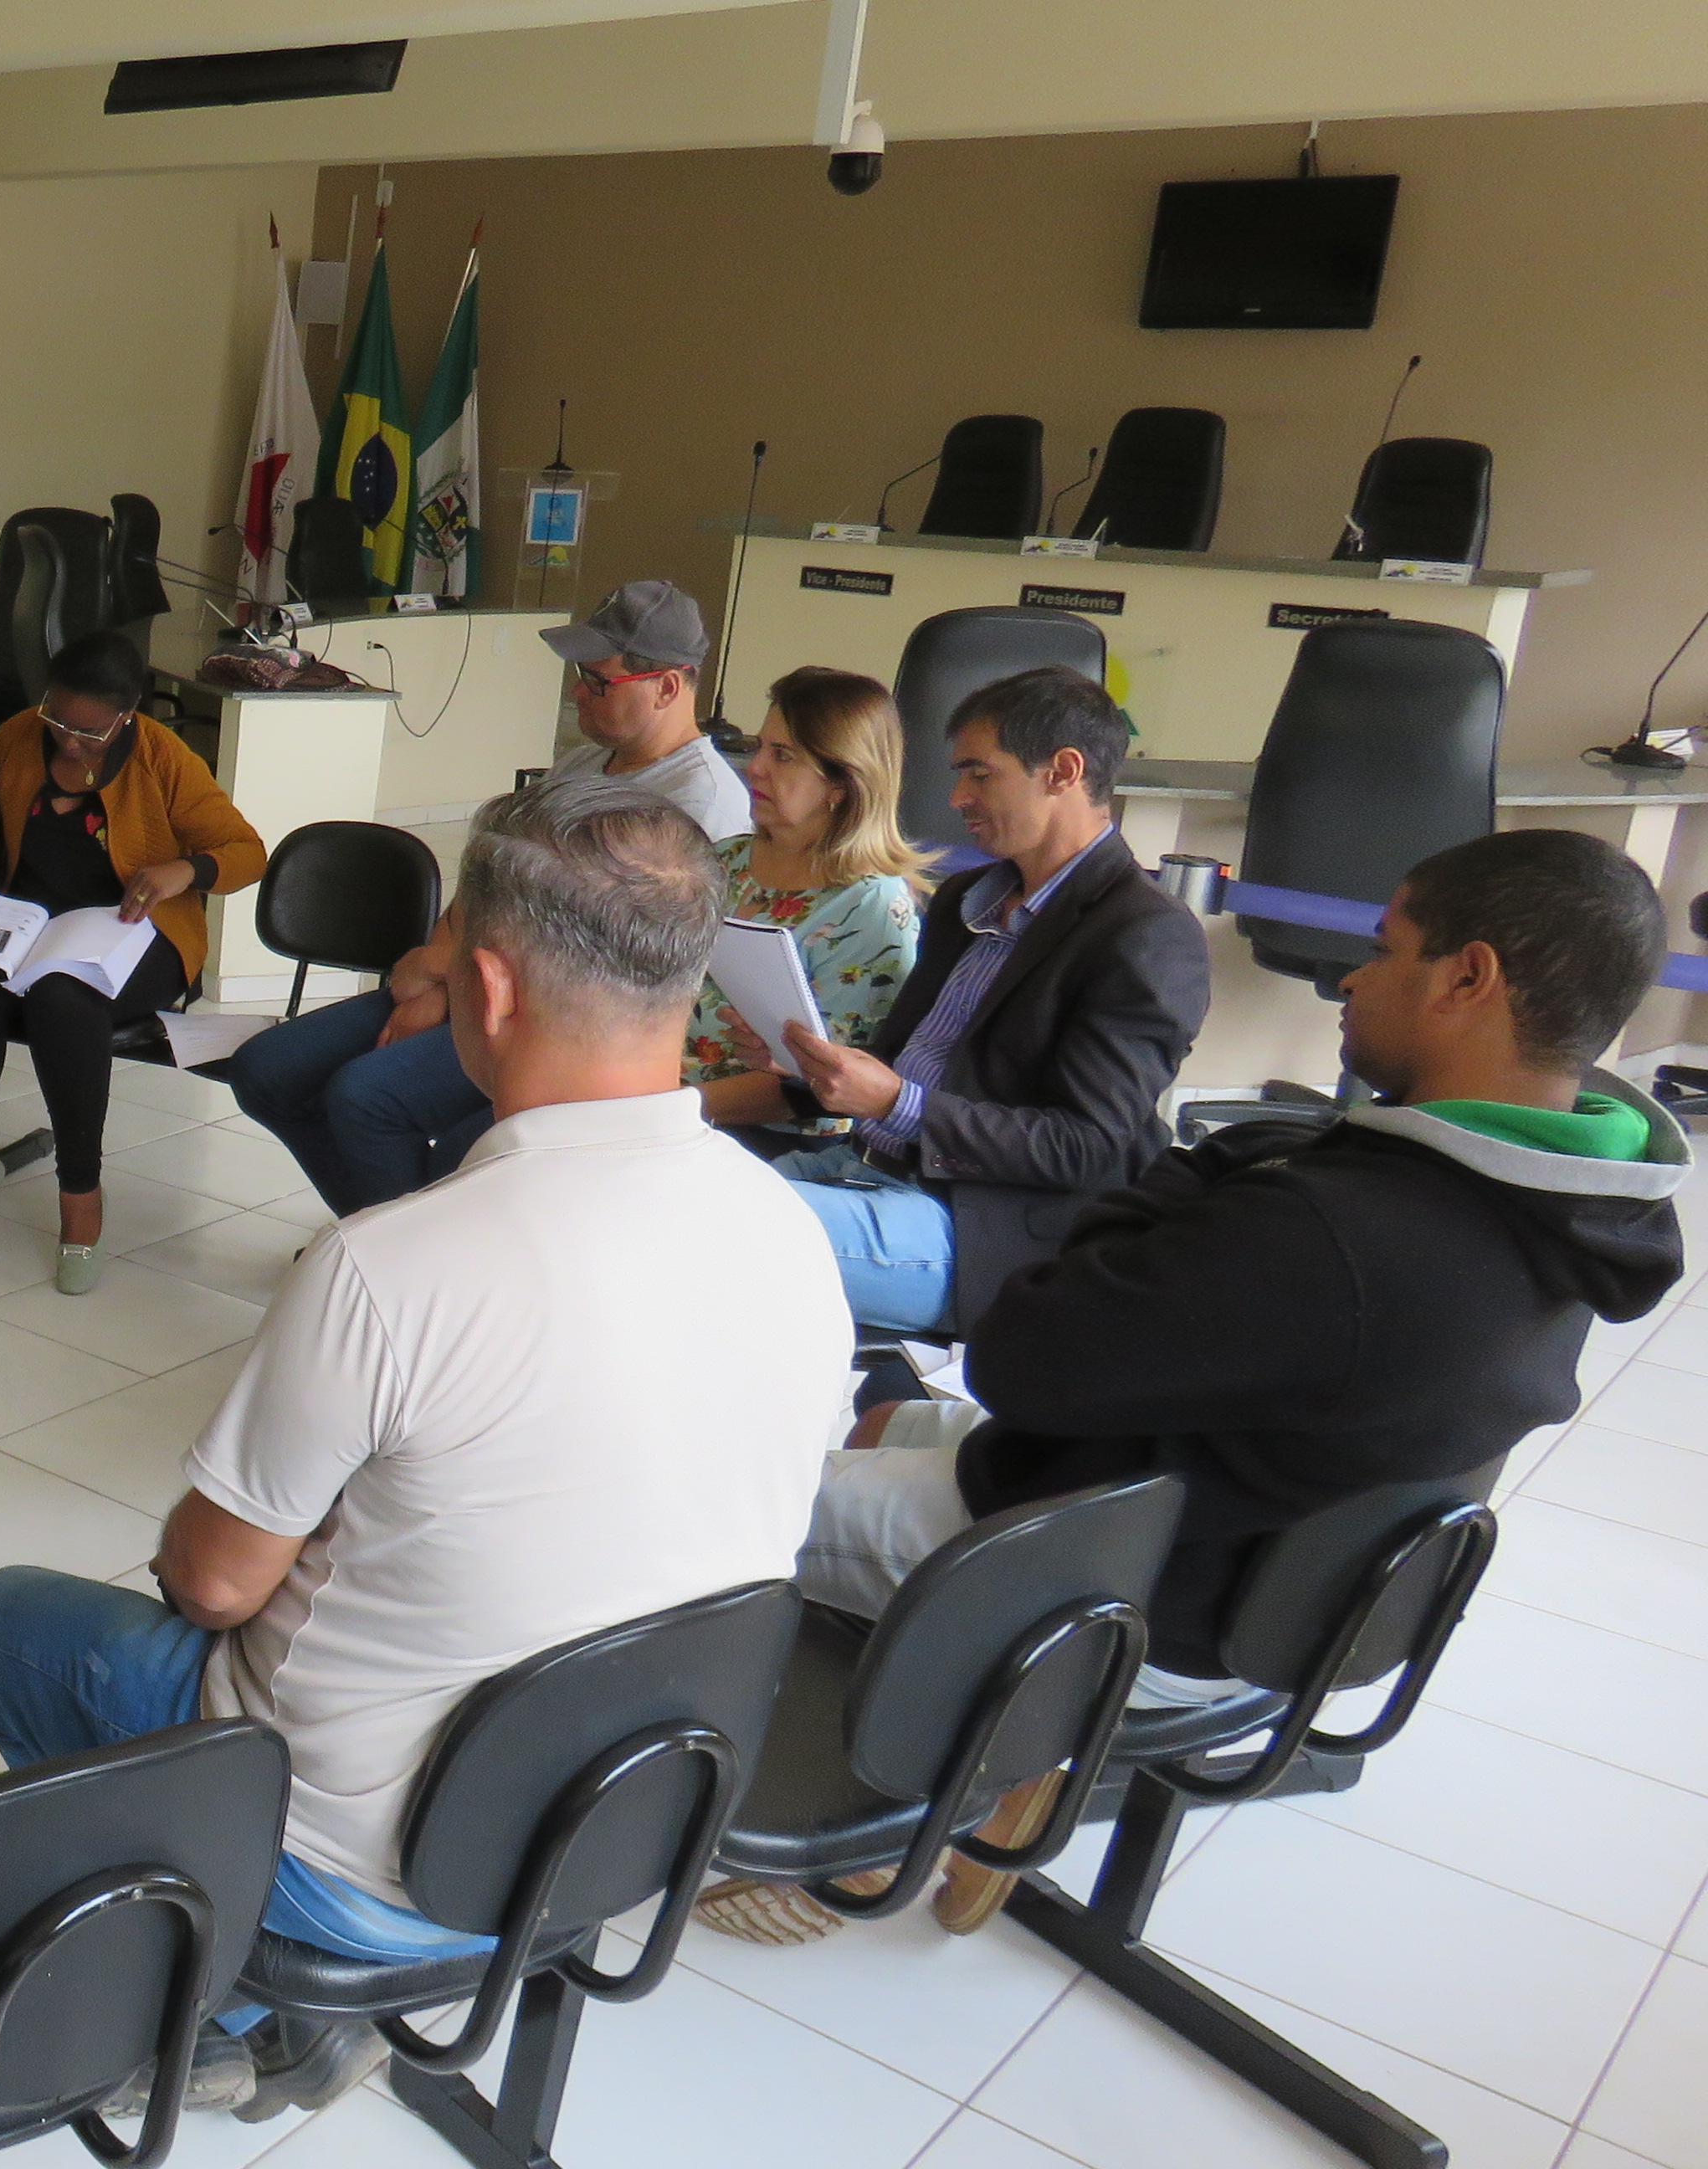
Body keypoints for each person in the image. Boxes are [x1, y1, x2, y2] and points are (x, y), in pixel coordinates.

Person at [0, 779, 849, 2117]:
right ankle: (279, 2008)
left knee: (10, 1626)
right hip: (619, 1819)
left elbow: (211, 1584)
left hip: (364, 1872)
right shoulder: (794, 1234)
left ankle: (211, 1994)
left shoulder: (392, 1266)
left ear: (487, 987)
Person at [713, 828, 1684, 1945]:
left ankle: (923, 1773)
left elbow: (1018, 1354)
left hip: (1128, 1597)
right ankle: (986, 1732)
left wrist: (1198, 1167)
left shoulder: (1332, 1223)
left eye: (1386, 948)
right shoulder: (1574, 1197)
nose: (1354, 980)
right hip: (1263, 1562)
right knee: (887, 1419)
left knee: (700, 1512)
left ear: (1470, 978)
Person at [223, 579, 751, 1215]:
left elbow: (598, 957)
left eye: (597, 681)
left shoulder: (701, 806)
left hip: (552, 1013)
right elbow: (495, 879)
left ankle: (415, 1244)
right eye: (579, 676)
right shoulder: (585, 765)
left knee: (366, 1099)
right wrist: (438, 968)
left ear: (667, 686)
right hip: (476, 976)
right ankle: (384, 1226)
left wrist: (451, 986)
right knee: (268, 1071)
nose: (577, 694)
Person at [763, 665, 1208, 1336]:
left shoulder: (1146, 935)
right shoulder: (965, 902)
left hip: (980, 1226)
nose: (958, 797)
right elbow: (906, 1064)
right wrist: (815, 1069)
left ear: (1063, 771)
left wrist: (894, 1102)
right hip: (866, 1166)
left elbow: (1085, 1146)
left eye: (980, 774)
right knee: (662, 1195)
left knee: (706, 1230)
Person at [0, 631, 262, 1291]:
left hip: (134, 933)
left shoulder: (163, 758)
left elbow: (247, 852)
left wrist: (183, 871)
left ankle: (81, 1194)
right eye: (58, 719)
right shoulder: (19, 736)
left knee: (63, 1000)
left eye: (89, 731)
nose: (69, 742)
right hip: (29, 927)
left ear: (128, 715)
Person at [685, 668, 932, 1141]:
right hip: (671, 1109)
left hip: (774, 1141)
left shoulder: (870, 905)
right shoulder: (722, 860)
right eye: (760, 747)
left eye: (783, 756)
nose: (755, 768)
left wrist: (660, 1110)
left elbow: (825, 1089)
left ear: (841, 784)